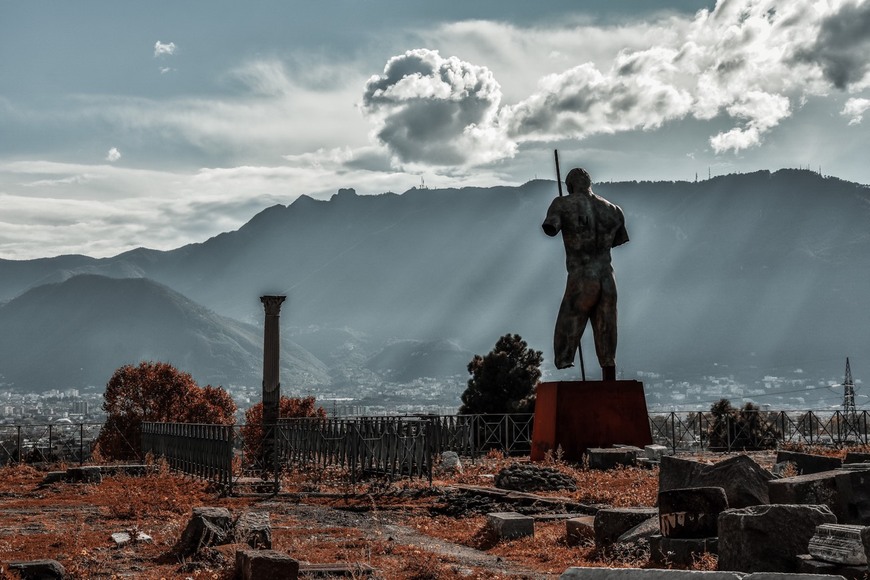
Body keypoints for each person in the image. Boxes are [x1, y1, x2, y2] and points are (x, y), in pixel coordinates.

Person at [542, 167, 629, 381]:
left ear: (570, 186)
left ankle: (564, 358)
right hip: (608, 277)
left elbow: (550, 227)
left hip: (582, 276)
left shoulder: (562, 203)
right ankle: (609, 369)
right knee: (607, 326)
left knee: (570, 315)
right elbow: (619, 239)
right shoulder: (614, 209)